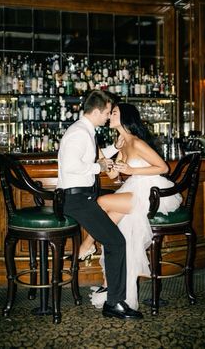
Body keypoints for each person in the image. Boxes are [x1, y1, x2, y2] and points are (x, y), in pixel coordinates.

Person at [79, 102, 183, 310]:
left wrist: (131, 170)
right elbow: (112, 174)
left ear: (124, 118)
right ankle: (110, 285)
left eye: (114, 113)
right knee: (112, 230)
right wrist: (98, 150)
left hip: (151, 193)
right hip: (134, 191)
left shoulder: (135, 142)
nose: (109, 116)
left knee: (101, 202)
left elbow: (163, 167)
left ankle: (87, 244)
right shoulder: (122, 143)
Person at [57, 90, 143, 320]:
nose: (108, 117)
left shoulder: (85, 131)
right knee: (116, 241)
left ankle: (114, 300)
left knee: (115, 240)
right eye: (106, 112)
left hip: (81, 197)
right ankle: (114, 303)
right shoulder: (79, 133)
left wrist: (114, 148)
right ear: (96, 111)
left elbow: (91, 158)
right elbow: (72, 166)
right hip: (76, 199)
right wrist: (100, 168)